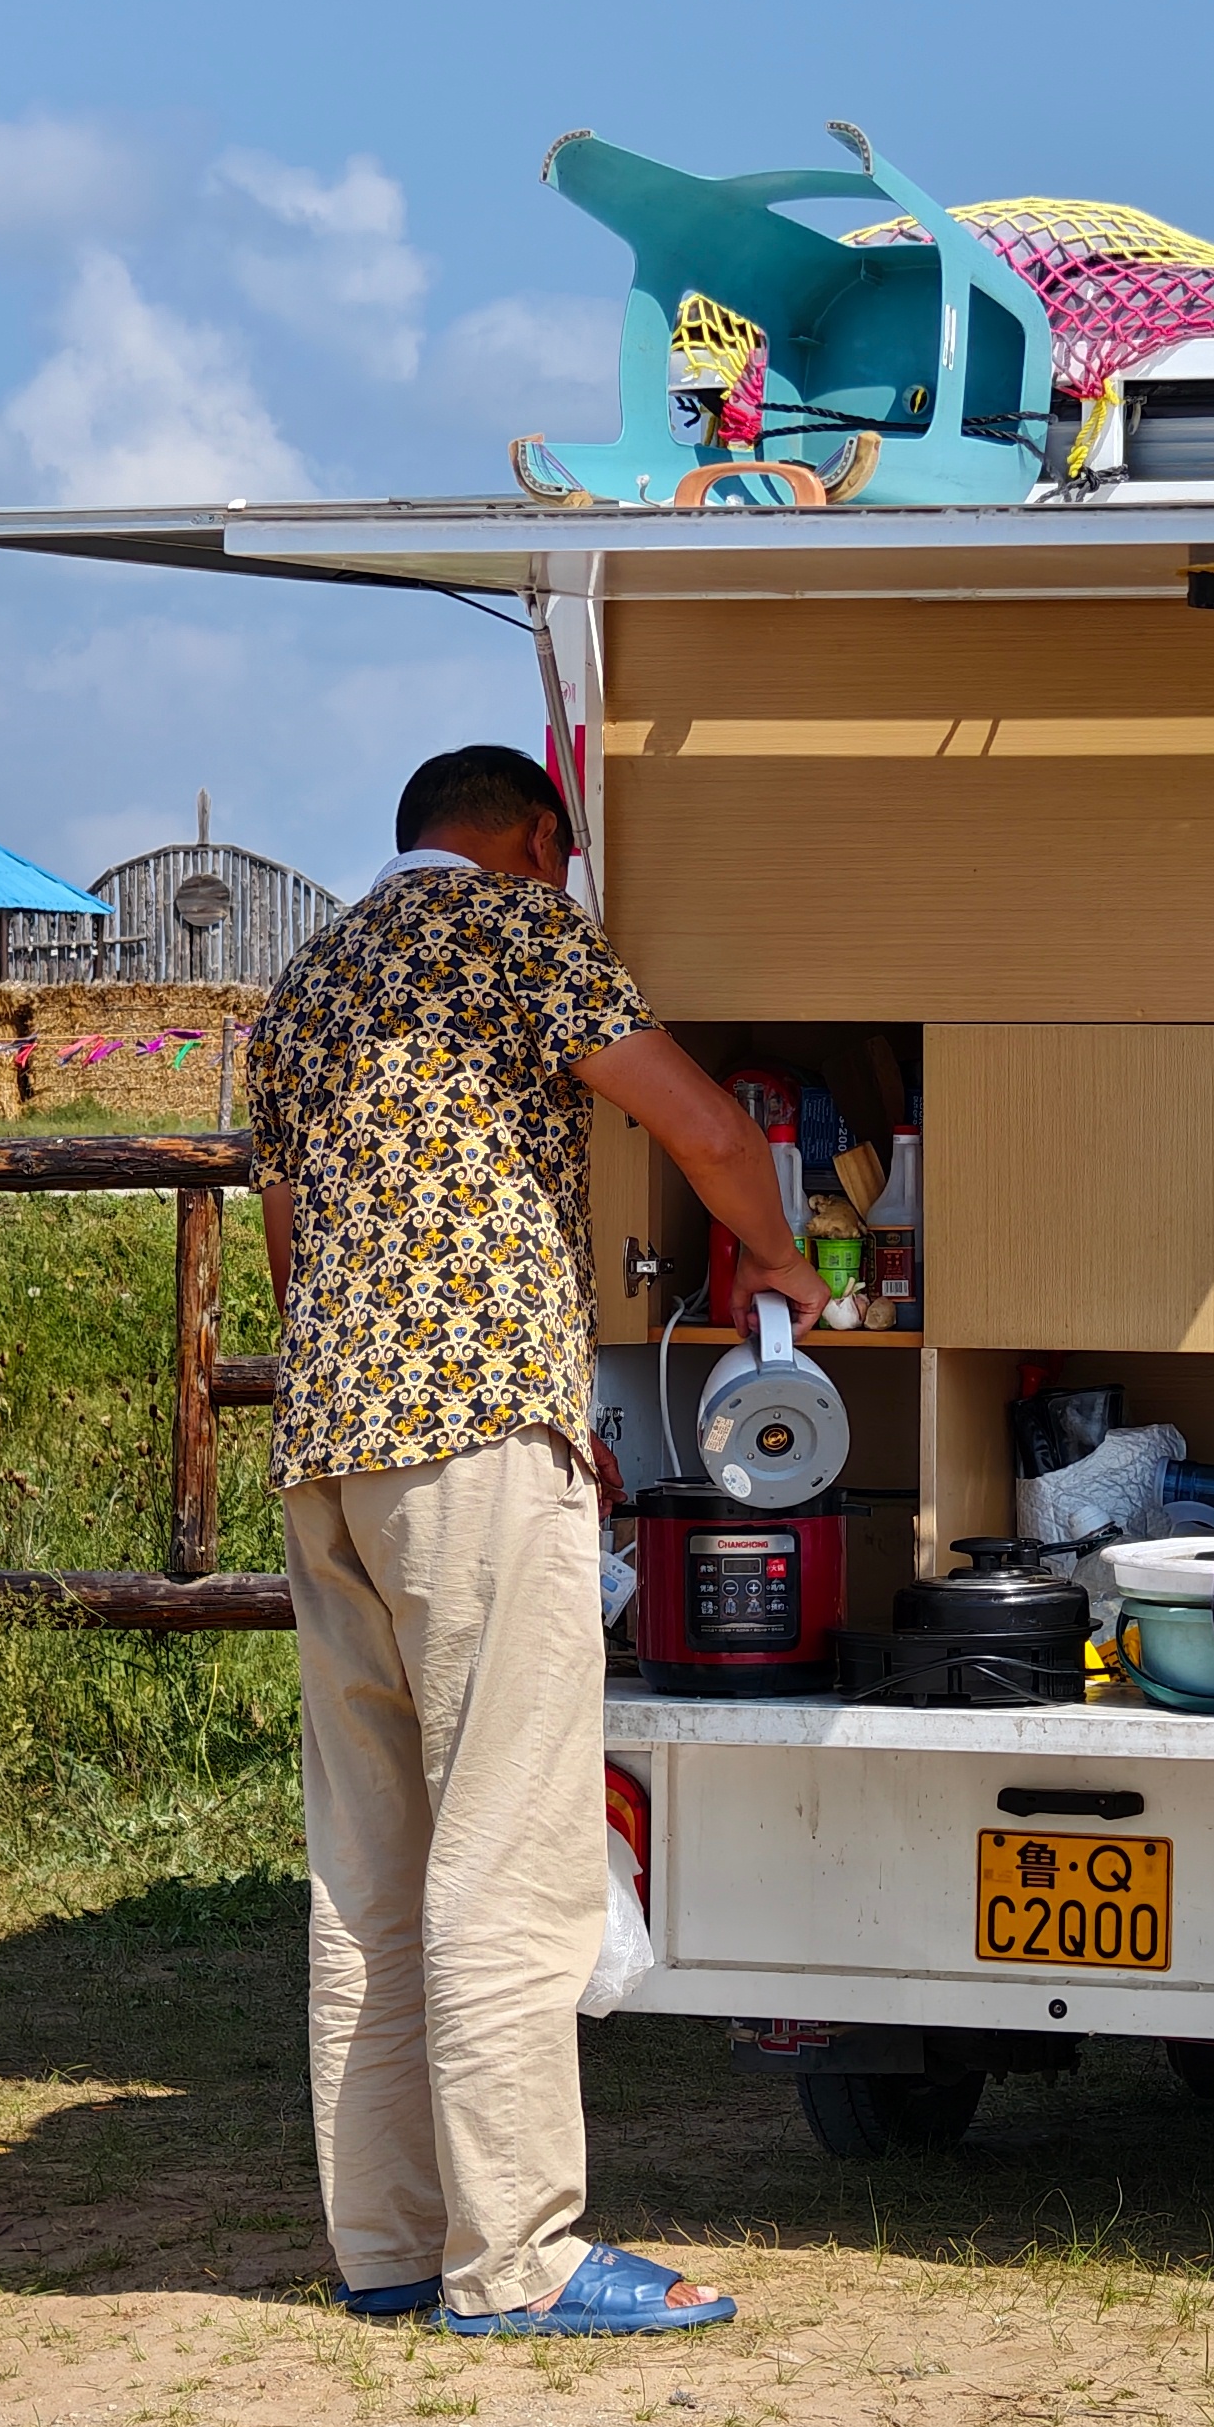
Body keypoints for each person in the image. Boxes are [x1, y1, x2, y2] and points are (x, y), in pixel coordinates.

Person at [246, 743, 821, 2338]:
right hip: (478, 1427)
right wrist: (778, 1263)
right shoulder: (516, 930)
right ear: (533, 836)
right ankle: (521, 2260)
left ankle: (390, 2245)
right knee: (508, 1845)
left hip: (329, 1445)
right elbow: (700, 1124)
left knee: (372, 1864)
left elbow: (292, 1238)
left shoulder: (307, 975)